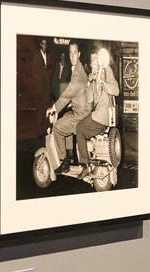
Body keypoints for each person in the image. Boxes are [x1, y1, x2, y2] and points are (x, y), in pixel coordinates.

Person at [75, 47, 119, 179]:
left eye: (96, 59)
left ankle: (85, 166)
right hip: (99, 113)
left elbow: (116, 90)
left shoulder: (106, 70)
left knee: (79, 129)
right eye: (92, 60)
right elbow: (90, 100)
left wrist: (103, 83)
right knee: (82, 124)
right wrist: (89, 83)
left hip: (104, 114)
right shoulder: (95, 77)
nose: (94, 63)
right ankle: (90, 157)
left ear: (100, 60)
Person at [47, 42, 90, 173]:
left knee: (57, 127)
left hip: (81, 114)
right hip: (82, 110)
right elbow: (78, 91)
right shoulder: (77, 69)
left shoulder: (78, 72)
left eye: (75, 53)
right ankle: (70, 153)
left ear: (79, 54)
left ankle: (63, 161)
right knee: (66, 116)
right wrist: (72, 103)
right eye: (70, 53)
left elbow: (68, 93)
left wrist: (54, 108)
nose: (72, 56)